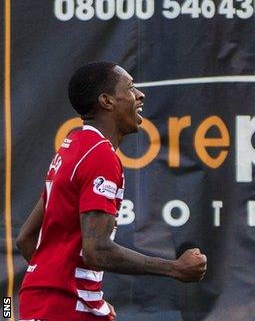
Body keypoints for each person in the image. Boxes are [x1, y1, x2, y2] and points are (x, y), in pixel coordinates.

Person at [16, 62, 208, 320]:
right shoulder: (99, 155)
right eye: (129, 88)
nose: (140, 94)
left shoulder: (73, 144)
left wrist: (80, 292)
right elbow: (97, 251)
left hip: (40, 303)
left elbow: (25, 239)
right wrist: (174, 268)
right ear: (107, 101)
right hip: (62, 310)